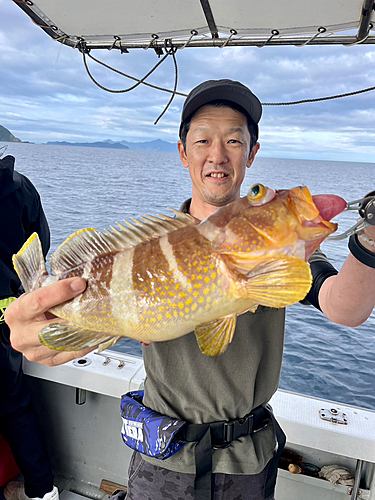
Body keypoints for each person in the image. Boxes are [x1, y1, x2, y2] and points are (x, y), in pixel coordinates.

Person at [4, 80, 375, 500]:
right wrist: (34, 330)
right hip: (163, 457)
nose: (218, 154)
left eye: (234, 140)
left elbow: (345, 307)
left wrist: (370, 242)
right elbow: (66, 323)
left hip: (248, 458)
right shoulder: (147, 248)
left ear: (252, 153)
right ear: (184, 153)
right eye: (203, 140)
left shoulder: (285, 252)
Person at [0, 154, 58, 500]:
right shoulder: (21, 188)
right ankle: (43, 491)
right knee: (16, 407)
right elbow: (39, 248)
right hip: (8, 322)